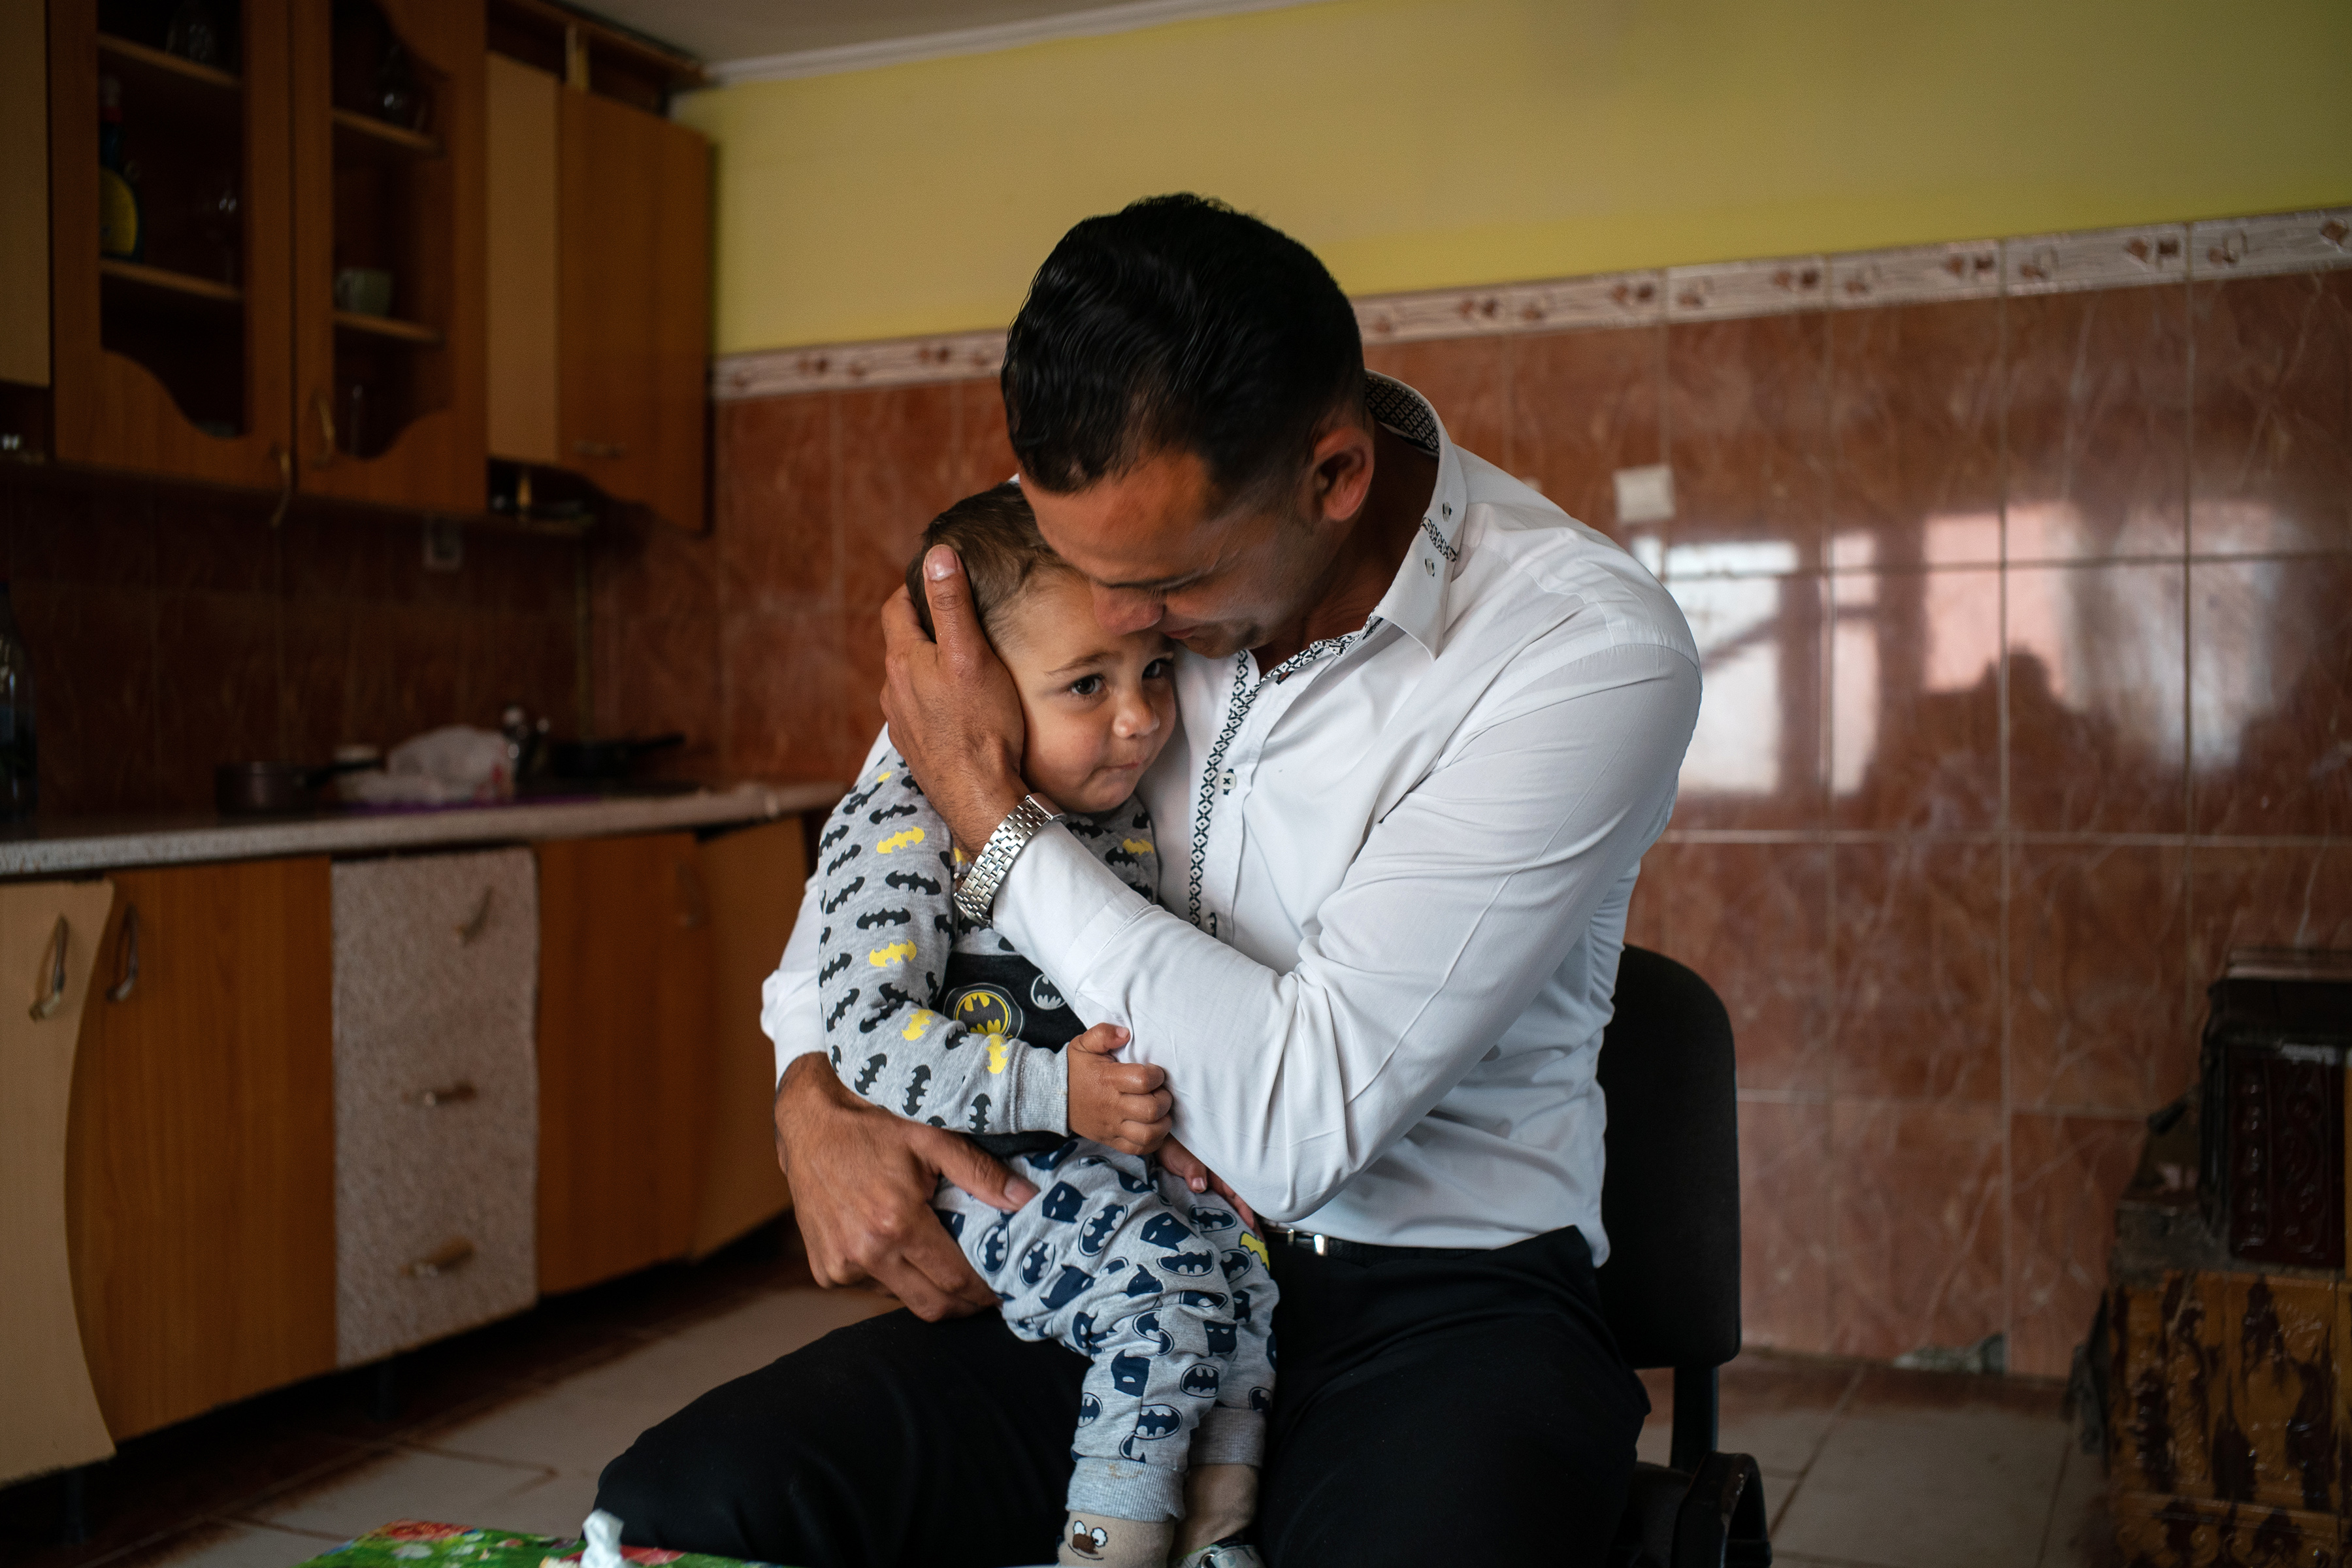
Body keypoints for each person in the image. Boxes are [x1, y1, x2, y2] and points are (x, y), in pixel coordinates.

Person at [597, 193, 1701, 1567]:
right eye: (1086, 571)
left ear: (1335, 476)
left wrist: (1005, 825)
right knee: (685, 1508)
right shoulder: (1087, 545)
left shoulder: (1577, 653)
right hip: (1109, 1250)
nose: (1119, 624)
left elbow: (1301, 1125)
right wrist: (809, 1094)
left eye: (1167, 590)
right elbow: (870, 896)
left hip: (1437, 1305)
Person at [812, 483, 1275, 1568]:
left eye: (1153, 672)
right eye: (1087, 684)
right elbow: (870, 1041)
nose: (1142, 718)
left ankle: (1212, 1534)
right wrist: (1056, 1095)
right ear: (963, 695)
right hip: (995, 1170)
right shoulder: (900, 824)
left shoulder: (1106, 819)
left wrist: (1181, 1125)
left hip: (1109, 1155)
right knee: (1163, 1297)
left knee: (1242, 1273)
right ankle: (1110, 1547)